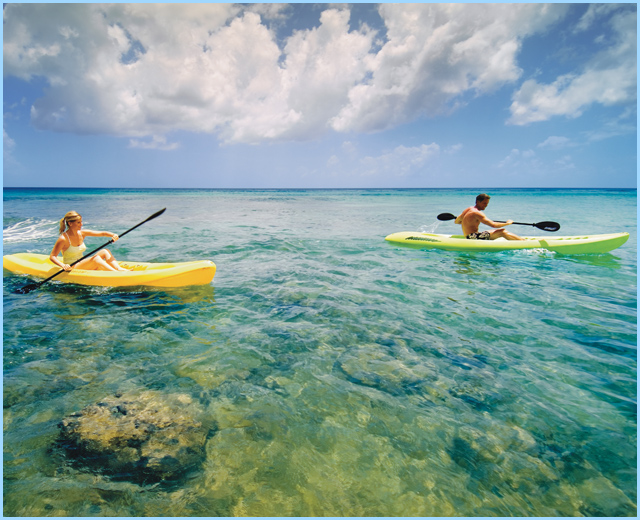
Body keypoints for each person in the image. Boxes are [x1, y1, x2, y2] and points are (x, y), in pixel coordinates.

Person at [50, 211, 129, 271]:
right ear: (70, 223)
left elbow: (102, 233)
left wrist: (113, 235)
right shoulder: (63, 239)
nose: (81, 224)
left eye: (81, 222)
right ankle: (115, 273)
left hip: (82, 262)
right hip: (72, 266)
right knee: (96, 258)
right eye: (78, 222)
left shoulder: (82, 233)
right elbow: (52, 256)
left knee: (105, 251)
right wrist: (63, 265)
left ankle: (119, 269)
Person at [455, 194, 524, 240]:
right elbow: (493, 225)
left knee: (493, 231)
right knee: (502, 231)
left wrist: (468, 222)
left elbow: (457, 221)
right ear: (478, 202)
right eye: (484, 203)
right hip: (472, 237)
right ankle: (524, 242)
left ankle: (521, 240)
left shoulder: (468, 209)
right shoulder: (477, 213)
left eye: (487, 203)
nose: (486, 205)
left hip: (469, 235)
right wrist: (508, 223)